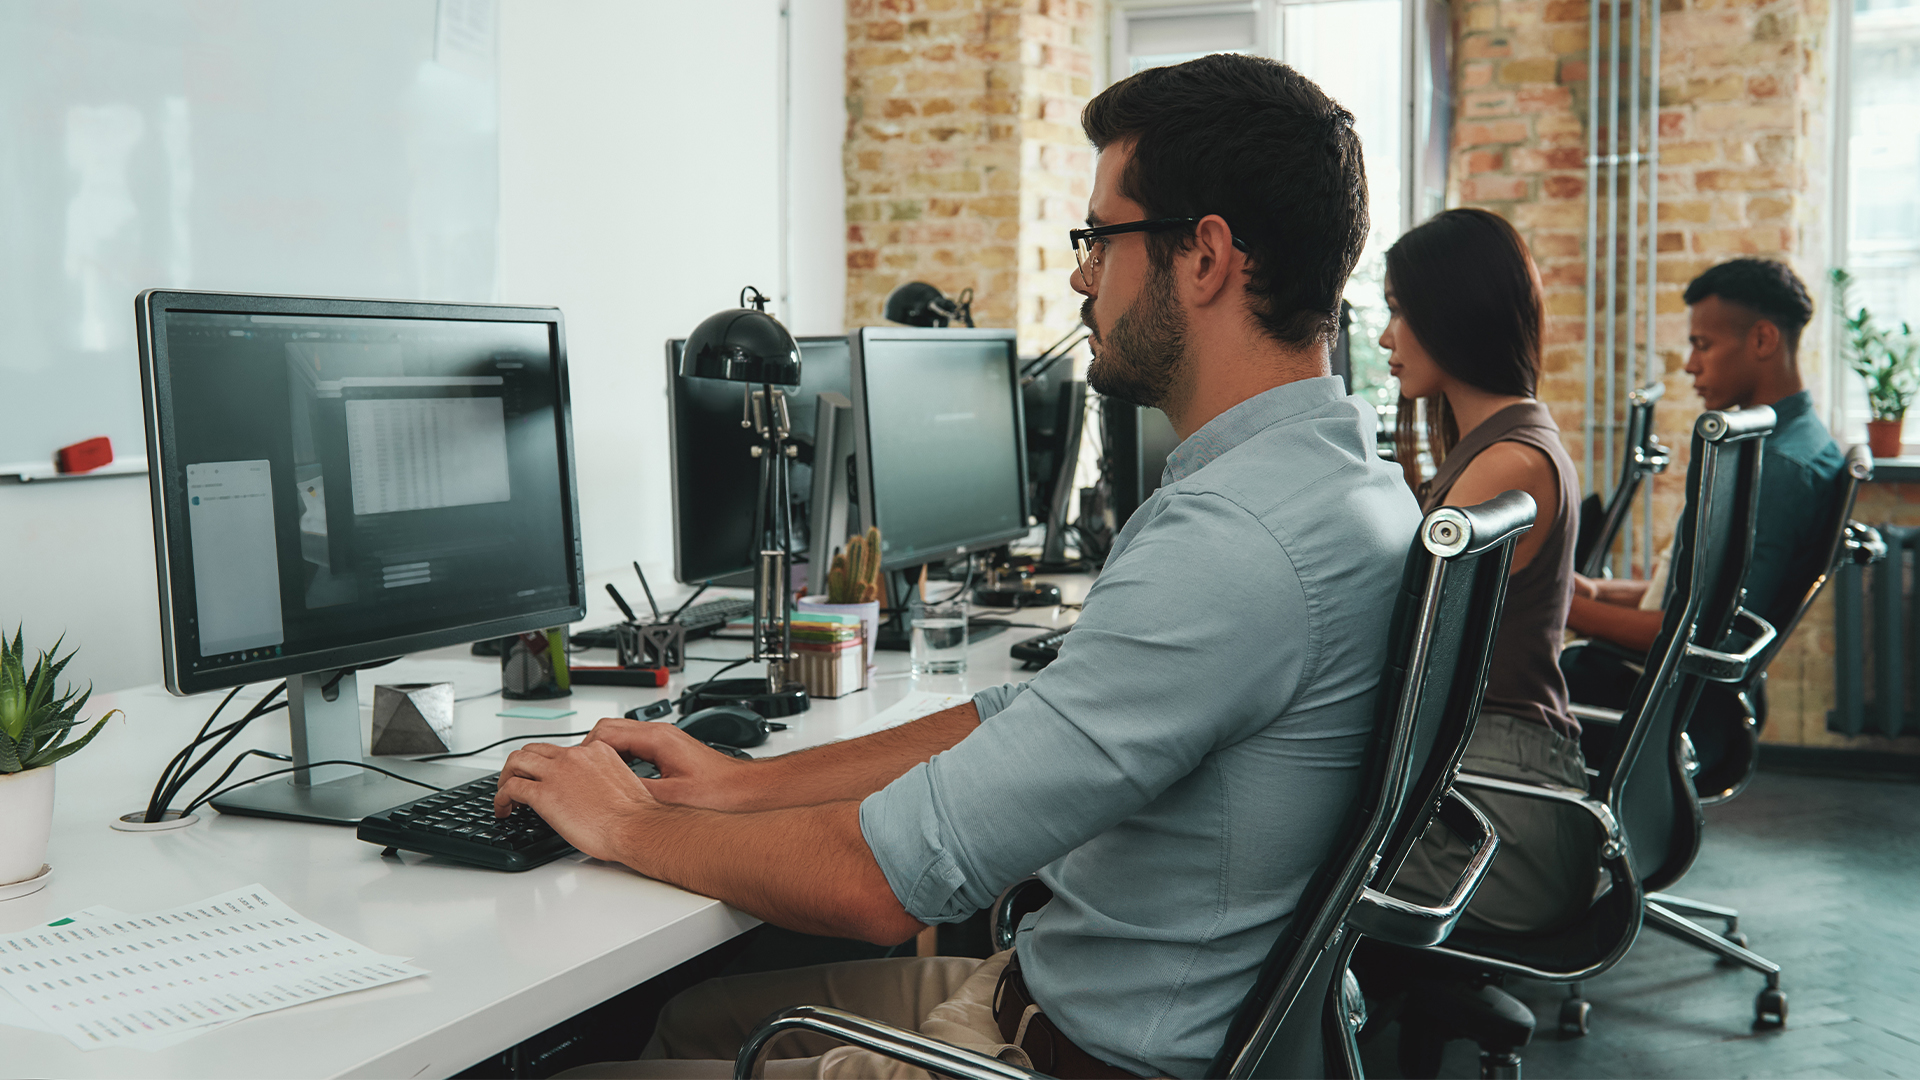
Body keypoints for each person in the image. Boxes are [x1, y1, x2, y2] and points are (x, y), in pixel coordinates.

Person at [494, 54, 1421, 1080]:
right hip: (1087, 1005)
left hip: (1072, 1057)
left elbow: (878, 886)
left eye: (1098, 238)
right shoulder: (1345, 486)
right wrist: (738, 787)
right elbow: (1024, 722)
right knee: (691, 1021)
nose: (1080, 275)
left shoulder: (1234, 541)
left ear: (1204, 258)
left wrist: (625, 821)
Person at [1368, 208, 1594, 935]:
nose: (1383, 337)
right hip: (1491, 783)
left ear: (1451, 311)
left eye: (1399, 311)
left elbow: (1405, 643)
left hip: (1503, 819)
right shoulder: (1507, 440)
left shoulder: (1507, 463)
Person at [1562, 259, 1845, 777]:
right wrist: (1595, 593)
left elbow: (1701, 634)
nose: (1690, 365)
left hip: (1672, 707)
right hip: (1678, 690)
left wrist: (1555, 605)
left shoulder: (1774, 469)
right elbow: (1699, 592)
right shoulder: (1793, 444)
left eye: (1702, 345)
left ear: (1762, 340)